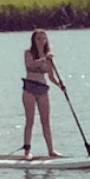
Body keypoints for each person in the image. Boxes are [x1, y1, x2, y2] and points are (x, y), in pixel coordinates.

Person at [22, 29, 65, 158]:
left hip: (42, 89)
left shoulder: (48, 57)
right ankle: (27, 152)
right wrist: (45, 58)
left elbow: (51, 77)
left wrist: (60, 85)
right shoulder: (28, 53)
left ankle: (51, 151)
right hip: (29, 88)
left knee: (45, 121)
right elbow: (30, 66)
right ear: (34, 40)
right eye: (38, 39)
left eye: (43, 38)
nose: (41, 41)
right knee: (30, 120)